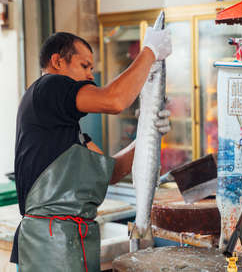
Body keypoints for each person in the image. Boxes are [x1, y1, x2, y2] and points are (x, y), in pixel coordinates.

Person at [10, 28, 172, 272]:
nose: (90, 75)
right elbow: (114, 100)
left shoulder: (64, 129)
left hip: (72, 240)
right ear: (57, 62)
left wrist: (149, 135)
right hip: (50, 243)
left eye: (91, 68)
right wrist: (149, 52)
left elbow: (113, 172)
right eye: (84, 66)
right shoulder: (47, 87)